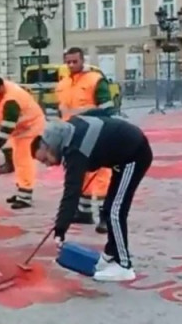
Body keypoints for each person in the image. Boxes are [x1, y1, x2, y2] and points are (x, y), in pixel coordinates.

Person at [32, 112, 153, 282]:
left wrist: (60, 229)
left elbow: (71, 192)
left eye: (45, 159)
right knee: (109, 207)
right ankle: (111, 254)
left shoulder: (76, 151)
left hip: (134, 155)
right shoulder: (70, 128)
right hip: (122, 155)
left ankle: (124, 266)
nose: (48, 164)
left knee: (115, 211)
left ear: (50, 146)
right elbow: (98, 117)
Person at [54, 48, 114, 233]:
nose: (71, 65)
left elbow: (108, 107)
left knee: (101, 174)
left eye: (75, 61)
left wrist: (85, 113)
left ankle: (105, 217)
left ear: (82, 60)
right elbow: (62, 110)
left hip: (96, 131)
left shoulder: (95, 80)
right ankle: (85, 212)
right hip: (73, 135)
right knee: (81, 172)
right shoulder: (63, 84)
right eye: (68, 62)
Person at [0, 71, 46, 209]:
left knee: (24, 161)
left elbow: (6, 127)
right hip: (21, 130)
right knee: (18, 160)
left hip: (31, 128)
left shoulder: (12, 100)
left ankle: (25, 195)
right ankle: (20, 191)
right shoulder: (5, 88)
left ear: (0, 86)